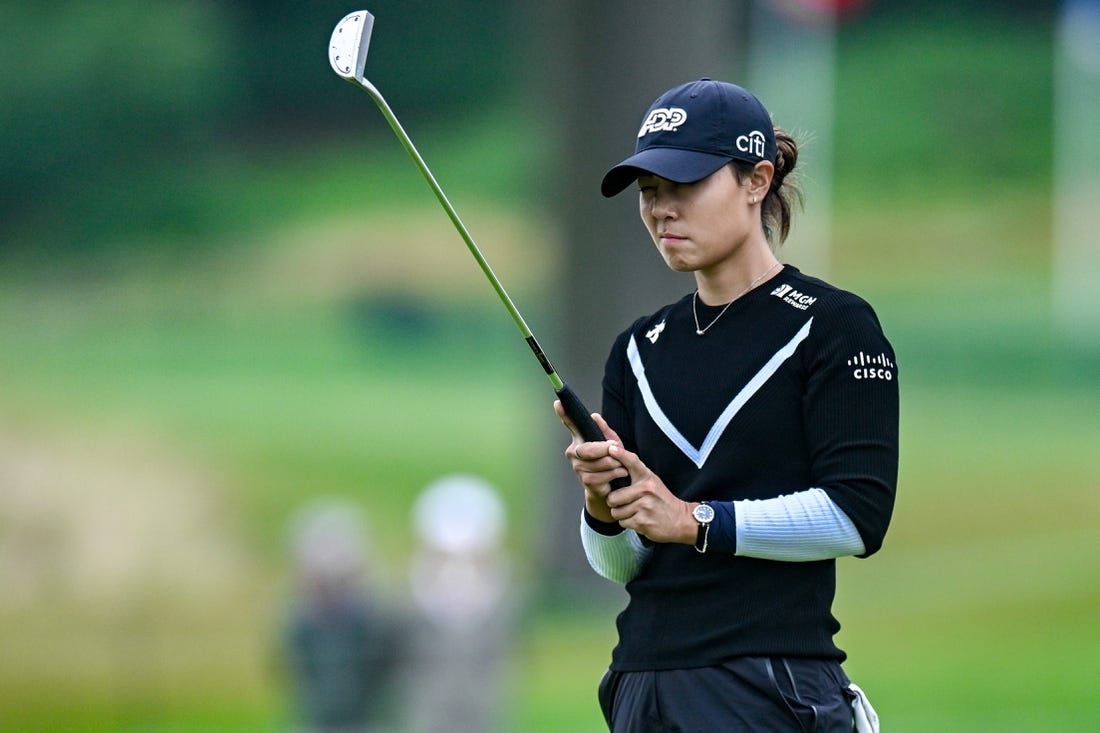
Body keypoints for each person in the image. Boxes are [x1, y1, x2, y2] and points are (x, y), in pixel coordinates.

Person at [554, 79, 897, 732]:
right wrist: (603, 504)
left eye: (684, 185)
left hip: (766, 679)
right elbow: (623, 562)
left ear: (756, 180)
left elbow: (858, 515)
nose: (661, 210)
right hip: (642, 681)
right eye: (650, 191)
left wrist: (695, 519)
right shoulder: (636, 349)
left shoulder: (833, 325)